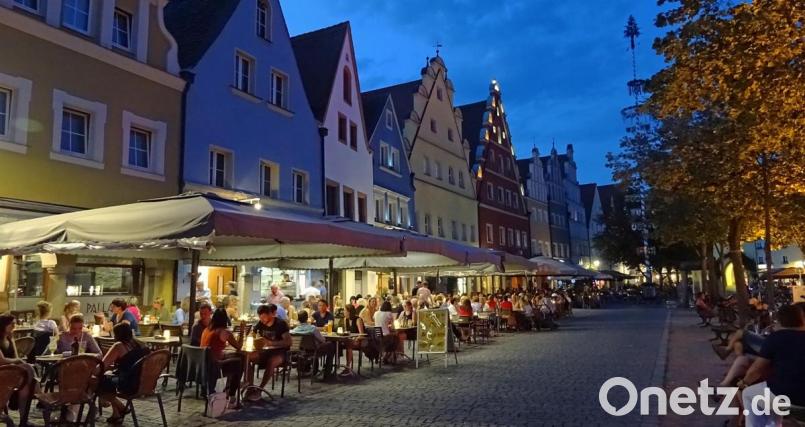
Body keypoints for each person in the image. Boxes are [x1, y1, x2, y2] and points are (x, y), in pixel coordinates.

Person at [739, 304, 805, 426]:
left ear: (779, 321)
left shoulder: (776, 337)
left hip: (787, 398)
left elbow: (755, 370)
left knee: (749, 394)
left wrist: (744, 383)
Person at [98, 323, 150, 423]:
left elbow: (101, 367)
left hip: (128, 384)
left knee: (99, 379)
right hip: (144, 383)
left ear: (116, 335)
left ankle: (121, 406)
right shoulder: (142, 345)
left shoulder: (119, 346)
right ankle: (116, 414)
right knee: (111, 376)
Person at [201, 308, 243, 408]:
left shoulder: (206, 330)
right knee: (239, 363)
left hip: (203, 364)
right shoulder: (224, 332)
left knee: (234, 358)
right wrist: (242, 332)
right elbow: (239, 346)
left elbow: (213, 348)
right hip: (215, 366)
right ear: (225, 320)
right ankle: (231, 395)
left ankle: (228, 389)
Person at [0, 314, 38, 427]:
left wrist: (18, 361)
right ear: (3, 325)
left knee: (25, 389)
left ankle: (23, 420)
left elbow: (15, 357)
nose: (14, 325)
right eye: (12, 324)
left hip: (12, 372)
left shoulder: (10, 338)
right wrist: (18, 361)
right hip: (1, 372)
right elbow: (2, 360)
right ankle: (39, 394)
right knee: (28, 367)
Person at [249, 304, 291, 392]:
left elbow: (288, 342)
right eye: (260, 318)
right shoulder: (261, 323)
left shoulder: (280, 324)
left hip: (280, 352)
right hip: (264, 352)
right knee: (247, 358)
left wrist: (271, 343)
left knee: (271, 362)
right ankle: (250, 386)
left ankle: (260, 389)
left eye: (264, 317)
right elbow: (252, 334)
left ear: (270, 315)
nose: (262, 320)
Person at [290, 311, 335, 378]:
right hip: (315, 350)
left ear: (298, 319)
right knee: (331, 346)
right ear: (307, 318)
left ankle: (313, 369)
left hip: (302, 350)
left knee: (315, 347)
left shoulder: (294, 331)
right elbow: (322, 340)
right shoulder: (313, 329)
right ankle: (327, 372)